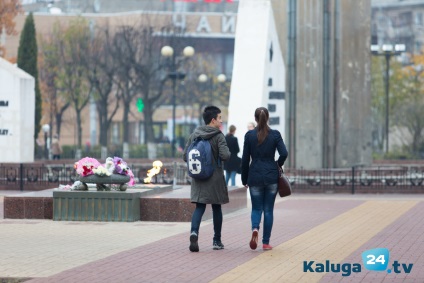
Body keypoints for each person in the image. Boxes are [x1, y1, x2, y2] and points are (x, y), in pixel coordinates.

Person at [183, 106, 231, 252]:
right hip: (214, 178)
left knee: (199, 207)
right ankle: (217, 241)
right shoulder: (218, 136)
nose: (221, 121)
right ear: (213, 120)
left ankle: (194, 232)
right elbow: (225, 156)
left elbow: (185, 156)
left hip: (198, 177)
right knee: (216, 208)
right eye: (220, 118)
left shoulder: (194, 135)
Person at [241, 107, 288, 251]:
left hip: (254, 175)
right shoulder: (275, 135)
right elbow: (284, 153)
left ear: (255, 119)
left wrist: (244, 178)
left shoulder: (249, 135)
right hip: (271, 176)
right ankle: (266, 242)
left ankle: (255, 228)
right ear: (267, 118)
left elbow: (244, 159)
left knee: (256, 208)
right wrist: (277, 165)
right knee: (268, 210)